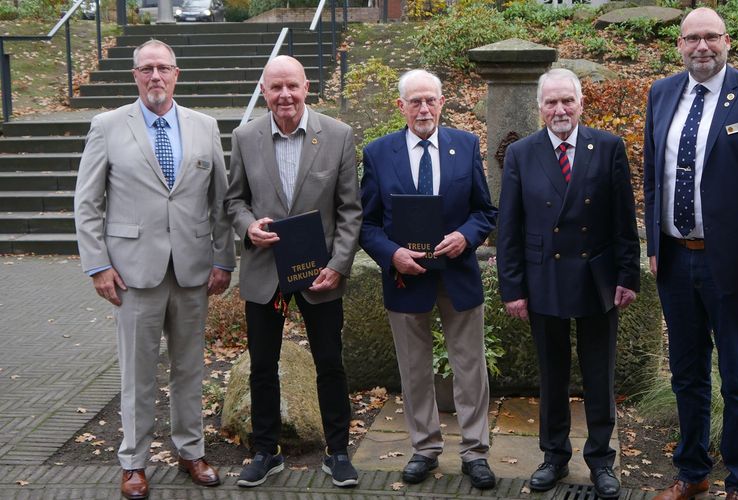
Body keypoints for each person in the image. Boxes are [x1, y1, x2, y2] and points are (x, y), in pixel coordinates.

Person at [643, 8, 738, 500]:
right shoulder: (662, 93)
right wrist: (653, 247)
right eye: (692, 38)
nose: (702, 46)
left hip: (732, 265)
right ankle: (692, 473)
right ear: (680, 45)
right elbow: (653, 177)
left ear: (727, 41)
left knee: (737, 376)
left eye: (711, 37)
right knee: (686, 375)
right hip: (674, 259)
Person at [73, 39, 235, 499]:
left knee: (189, 369)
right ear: (135, 76)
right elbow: (87, 203)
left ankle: (191, 452)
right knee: (137, 373)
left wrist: (223, 259)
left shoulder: (204, 127)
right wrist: (98, 266)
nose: (156, 77)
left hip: (192, 270)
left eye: (163, 68)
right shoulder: (107, 126)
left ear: (176, 74)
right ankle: (133, 462)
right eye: (147, 69)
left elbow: (219, 202)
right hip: (131, 273)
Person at [496, 68, 640, 497]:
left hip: (597, 279)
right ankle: (554, 457)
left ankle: (601, 461)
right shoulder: (523, 152)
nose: (560, 109)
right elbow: (510, 227)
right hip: (544, 280)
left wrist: (627, 275)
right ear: (540, 107)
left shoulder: (609, 146)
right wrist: (513, 288)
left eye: (567, 101)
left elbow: (623, 219)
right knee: (552, 374)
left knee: (599, 374)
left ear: (580, 103)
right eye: (551, 102)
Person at [224, 55, 362, 489]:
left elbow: (350, 211)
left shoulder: (337, 136)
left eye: (292, 86)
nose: (284, 95)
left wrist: (339, 266)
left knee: (329, 363)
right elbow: (234, 201)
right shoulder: (245, 137)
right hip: (265, 270)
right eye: (275, 87)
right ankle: (266, 451)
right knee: (263, 365)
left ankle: (338, 451)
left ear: (306, 87)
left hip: (319, 273)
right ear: (264, 91)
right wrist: (248, 227)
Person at [359, 69, 498, 490]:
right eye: (415, 101)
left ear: (441, 103)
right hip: (406, 279)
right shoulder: (378, 153)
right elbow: (367, 224)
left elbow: (484, 212)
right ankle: (424, 448)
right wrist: (392, 255)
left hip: (457, 274)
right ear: (400, 106)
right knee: (414, 369)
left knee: (470, 366)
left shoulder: (465, 145)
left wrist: (466, 237)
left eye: (430, 100)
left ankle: (475, 451)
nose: (423, 108)